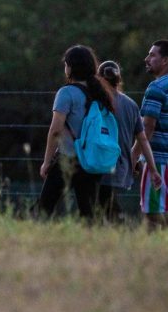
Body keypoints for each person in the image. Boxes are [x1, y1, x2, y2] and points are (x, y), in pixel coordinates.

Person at [38, 45, 116, 219]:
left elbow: (55, 130)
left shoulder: (66, 93)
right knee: (88, 213)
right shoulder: (100, 92)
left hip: (67, 159)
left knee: (44, 209)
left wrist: (46, 162)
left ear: (71, 67)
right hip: (91, 160)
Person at [133, 39, 168, 230]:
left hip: (159, 161)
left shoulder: (156, 88)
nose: (146, 59)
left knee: (154, 212)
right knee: (156, 213)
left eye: (152, 55)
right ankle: (150, 255)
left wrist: (132, 157)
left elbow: (146, 129)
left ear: (165, 60)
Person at [96, 61, 162, 222]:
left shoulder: (95, 103)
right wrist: (152, 169)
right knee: (105, 204)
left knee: (102, 206)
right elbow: (143, 139)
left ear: (99, 79)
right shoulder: (131, 105)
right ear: (119, 80)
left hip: (97, 165)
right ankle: (118, 227)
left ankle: (121, 224)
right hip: (121, 167)